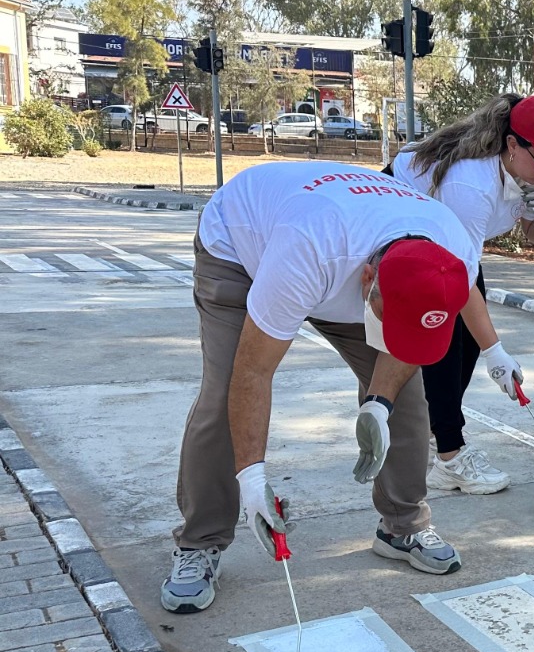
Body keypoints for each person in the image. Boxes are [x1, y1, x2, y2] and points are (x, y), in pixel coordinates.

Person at [161, 162, 481, 614]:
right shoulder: (309, 246)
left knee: (408, 402)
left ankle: (402, 524)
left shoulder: (455, 253)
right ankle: (200, 541)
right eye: (390, 317)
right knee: (223, 395)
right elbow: (253, 373)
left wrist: (379, 402)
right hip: (241, 249)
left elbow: (414, 339)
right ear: (368, 281)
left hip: (341, 258)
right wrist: (251, 480)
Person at [389, 94, 534, 494]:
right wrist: (497, 353)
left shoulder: (528, 171)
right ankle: (449, 455)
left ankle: (437, 431)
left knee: (469, 342)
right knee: (445, 335)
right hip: (397, 218)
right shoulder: (471, 184)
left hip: (443, 239)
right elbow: (459, 280)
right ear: (512, 144)